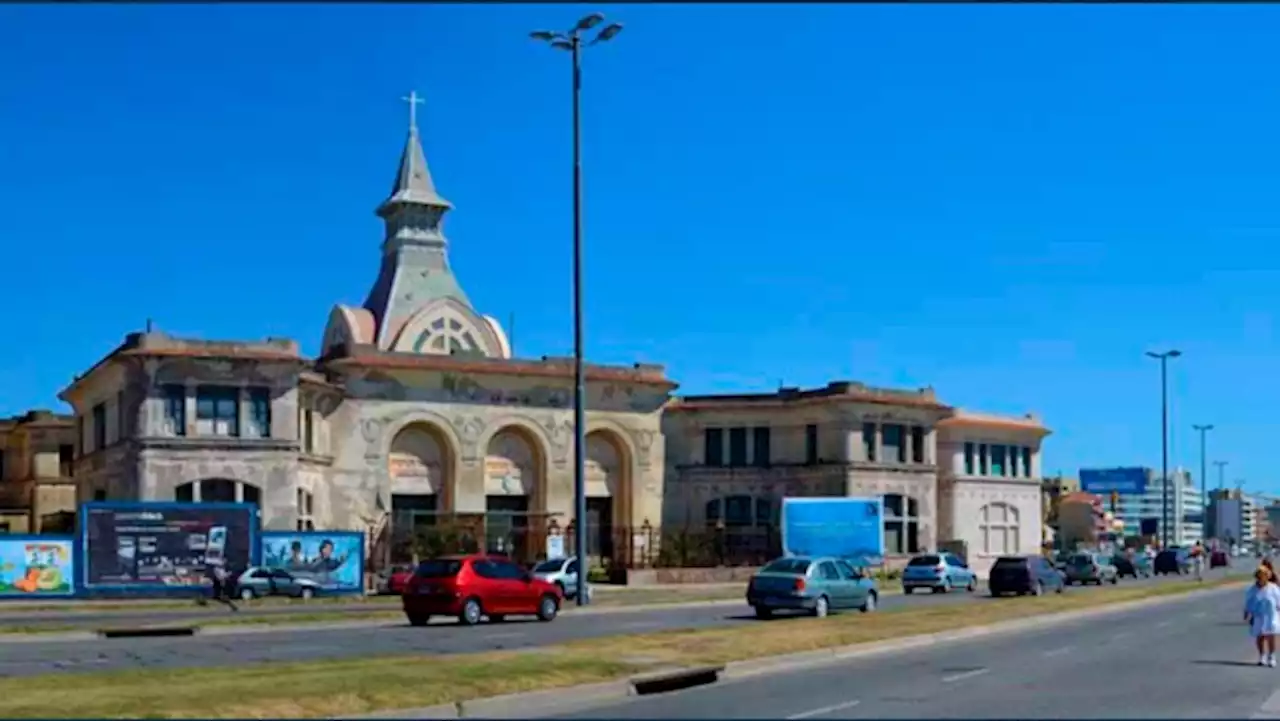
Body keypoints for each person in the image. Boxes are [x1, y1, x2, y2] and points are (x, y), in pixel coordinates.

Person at [1247, 566, 1280, 666]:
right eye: (1259, 576)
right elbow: (1248, 603)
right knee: (1260, 636)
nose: (1261, 578)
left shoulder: (1273, 588)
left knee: (1271, 635)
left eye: (1263, 576)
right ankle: (1262, 656)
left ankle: (1272, 656)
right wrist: (1248, 615)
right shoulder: (1252, 589)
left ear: (1267, 576)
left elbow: (1279, 601)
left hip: (1271, 615)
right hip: (1258, 615)